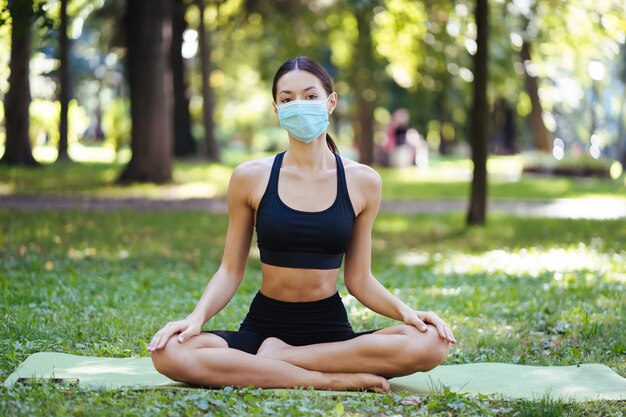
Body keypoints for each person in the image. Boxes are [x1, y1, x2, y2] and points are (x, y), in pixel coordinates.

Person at [148, 56, 455, 392]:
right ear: (276, 108)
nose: (299, 105)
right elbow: (230, 270)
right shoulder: (250, 178)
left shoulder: (363, 181)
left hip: (329, 334)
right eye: (287, 98)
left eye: (310, 96)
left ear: (330, 102)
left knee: (432, 343)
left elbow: (360, 279)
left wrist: (408, 313)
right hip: (264, 327)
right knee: (169, 353)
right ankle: (327, 380)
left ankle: (281, 359)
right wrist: (195, 318)